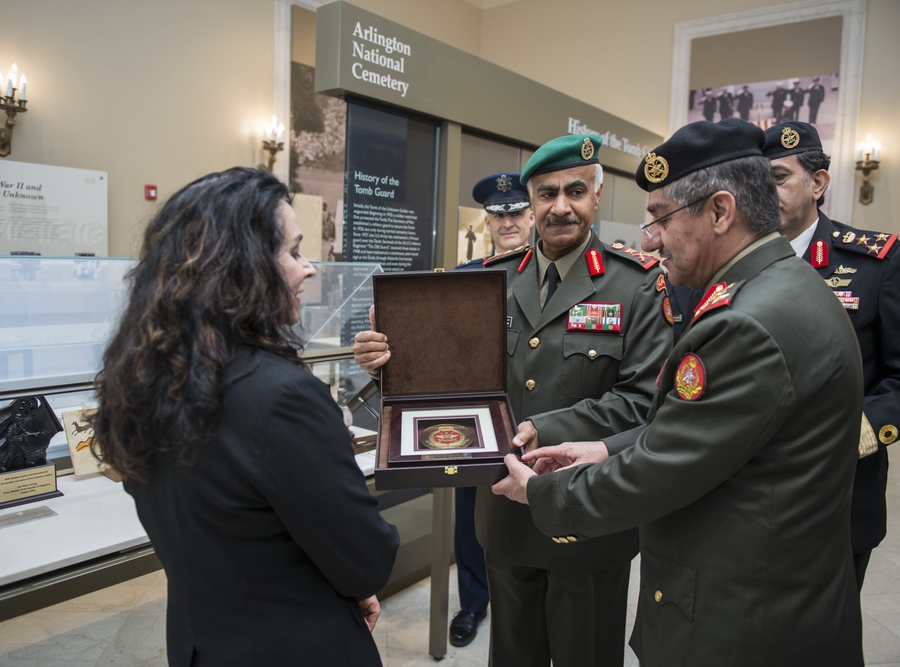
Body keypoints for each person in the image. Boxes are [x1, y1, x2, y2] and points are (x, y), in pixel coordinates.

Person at [492, 119, 865, 666]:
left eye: (661, 217)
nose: (651, 237)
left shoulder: (747, 322)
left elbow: (665, 465)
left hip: (745, 620)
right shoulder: (781, 286)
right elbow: (708, 434)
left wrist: (545, 495)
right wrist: (602, 448)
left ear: (719, 211)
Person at [354, 135, 673, 667]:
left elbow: (643, 402)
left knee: (585, 655)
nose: (560, 206)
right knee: (512, 655)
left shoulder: (638, 284)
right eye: (546, 194)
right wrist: (388, 359)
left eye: (575, 190)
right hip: (504, 510)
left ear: (596, 198)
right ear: (532, 204)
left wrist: (542, 429)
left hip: (587, 512)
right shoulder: (492, 279)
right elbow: (442, 379)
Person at [94, 167, 400, 666]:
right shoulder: (284, 397)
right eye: (295, 251)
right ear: (244, 265)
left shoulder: (138, 383)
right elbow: (367, 557)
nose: (309, 269)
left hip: (202, 642)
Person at [763, 120, 900, 590]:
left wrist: (849, 434)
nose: (764, 192)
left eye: (778, 178)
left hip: (836, 495)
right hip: (746, 498)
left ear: (817, 182)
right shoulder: (732, 266)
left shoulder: (878, 264)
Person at [447, 172, 535, 648]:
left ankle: (520, 595)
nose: (508, 221)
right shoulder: (467, 278)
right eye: (499, 214)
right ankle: (473, 602)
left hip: (533, 415)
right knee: (470, 513)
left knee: (532, 506)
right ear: (487, 219)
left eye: (517, 212)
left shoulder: (549, 273)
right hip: (475, 418)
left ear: (532, 214)